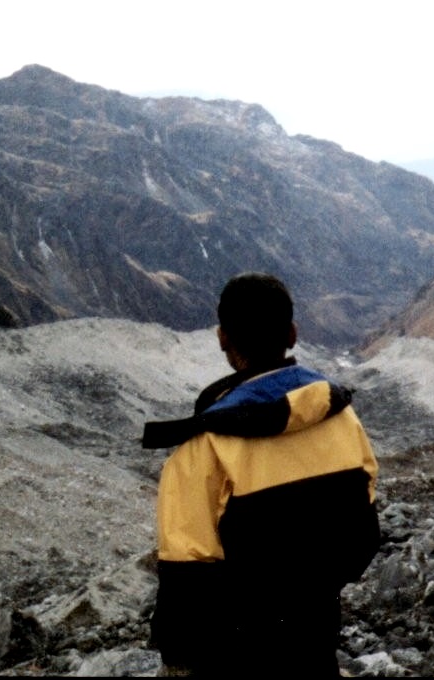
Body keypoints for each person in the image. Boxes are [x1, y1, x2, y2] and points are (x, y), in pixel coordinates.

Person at [141, 272, 381, 677]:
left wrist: (179, 658)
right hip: (315, 641)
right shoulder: (343, 419)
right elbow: (364, 535)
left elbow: (186, 576)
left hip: (236, 654)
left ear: (222, 338)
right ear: (292, 333)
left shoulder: (204, 448)